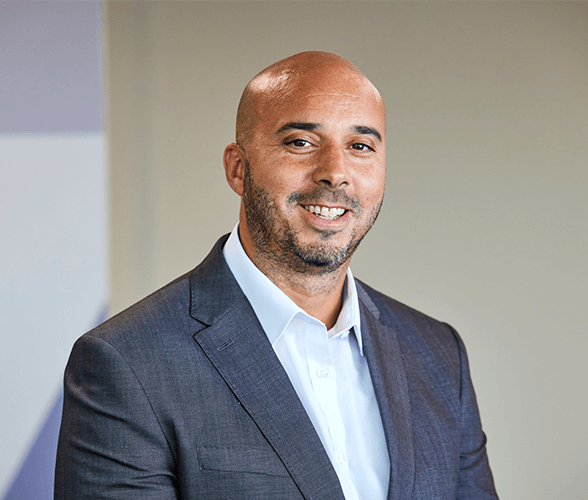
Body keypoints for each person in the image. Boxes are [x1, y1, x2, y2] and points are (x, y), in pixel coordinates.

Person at [55, 51, 498, 500]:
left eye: (360, 146)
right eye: (301, 142)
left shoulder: (438, 356)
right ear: (238, 169)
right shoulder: (127, 364)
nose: (335, 173)